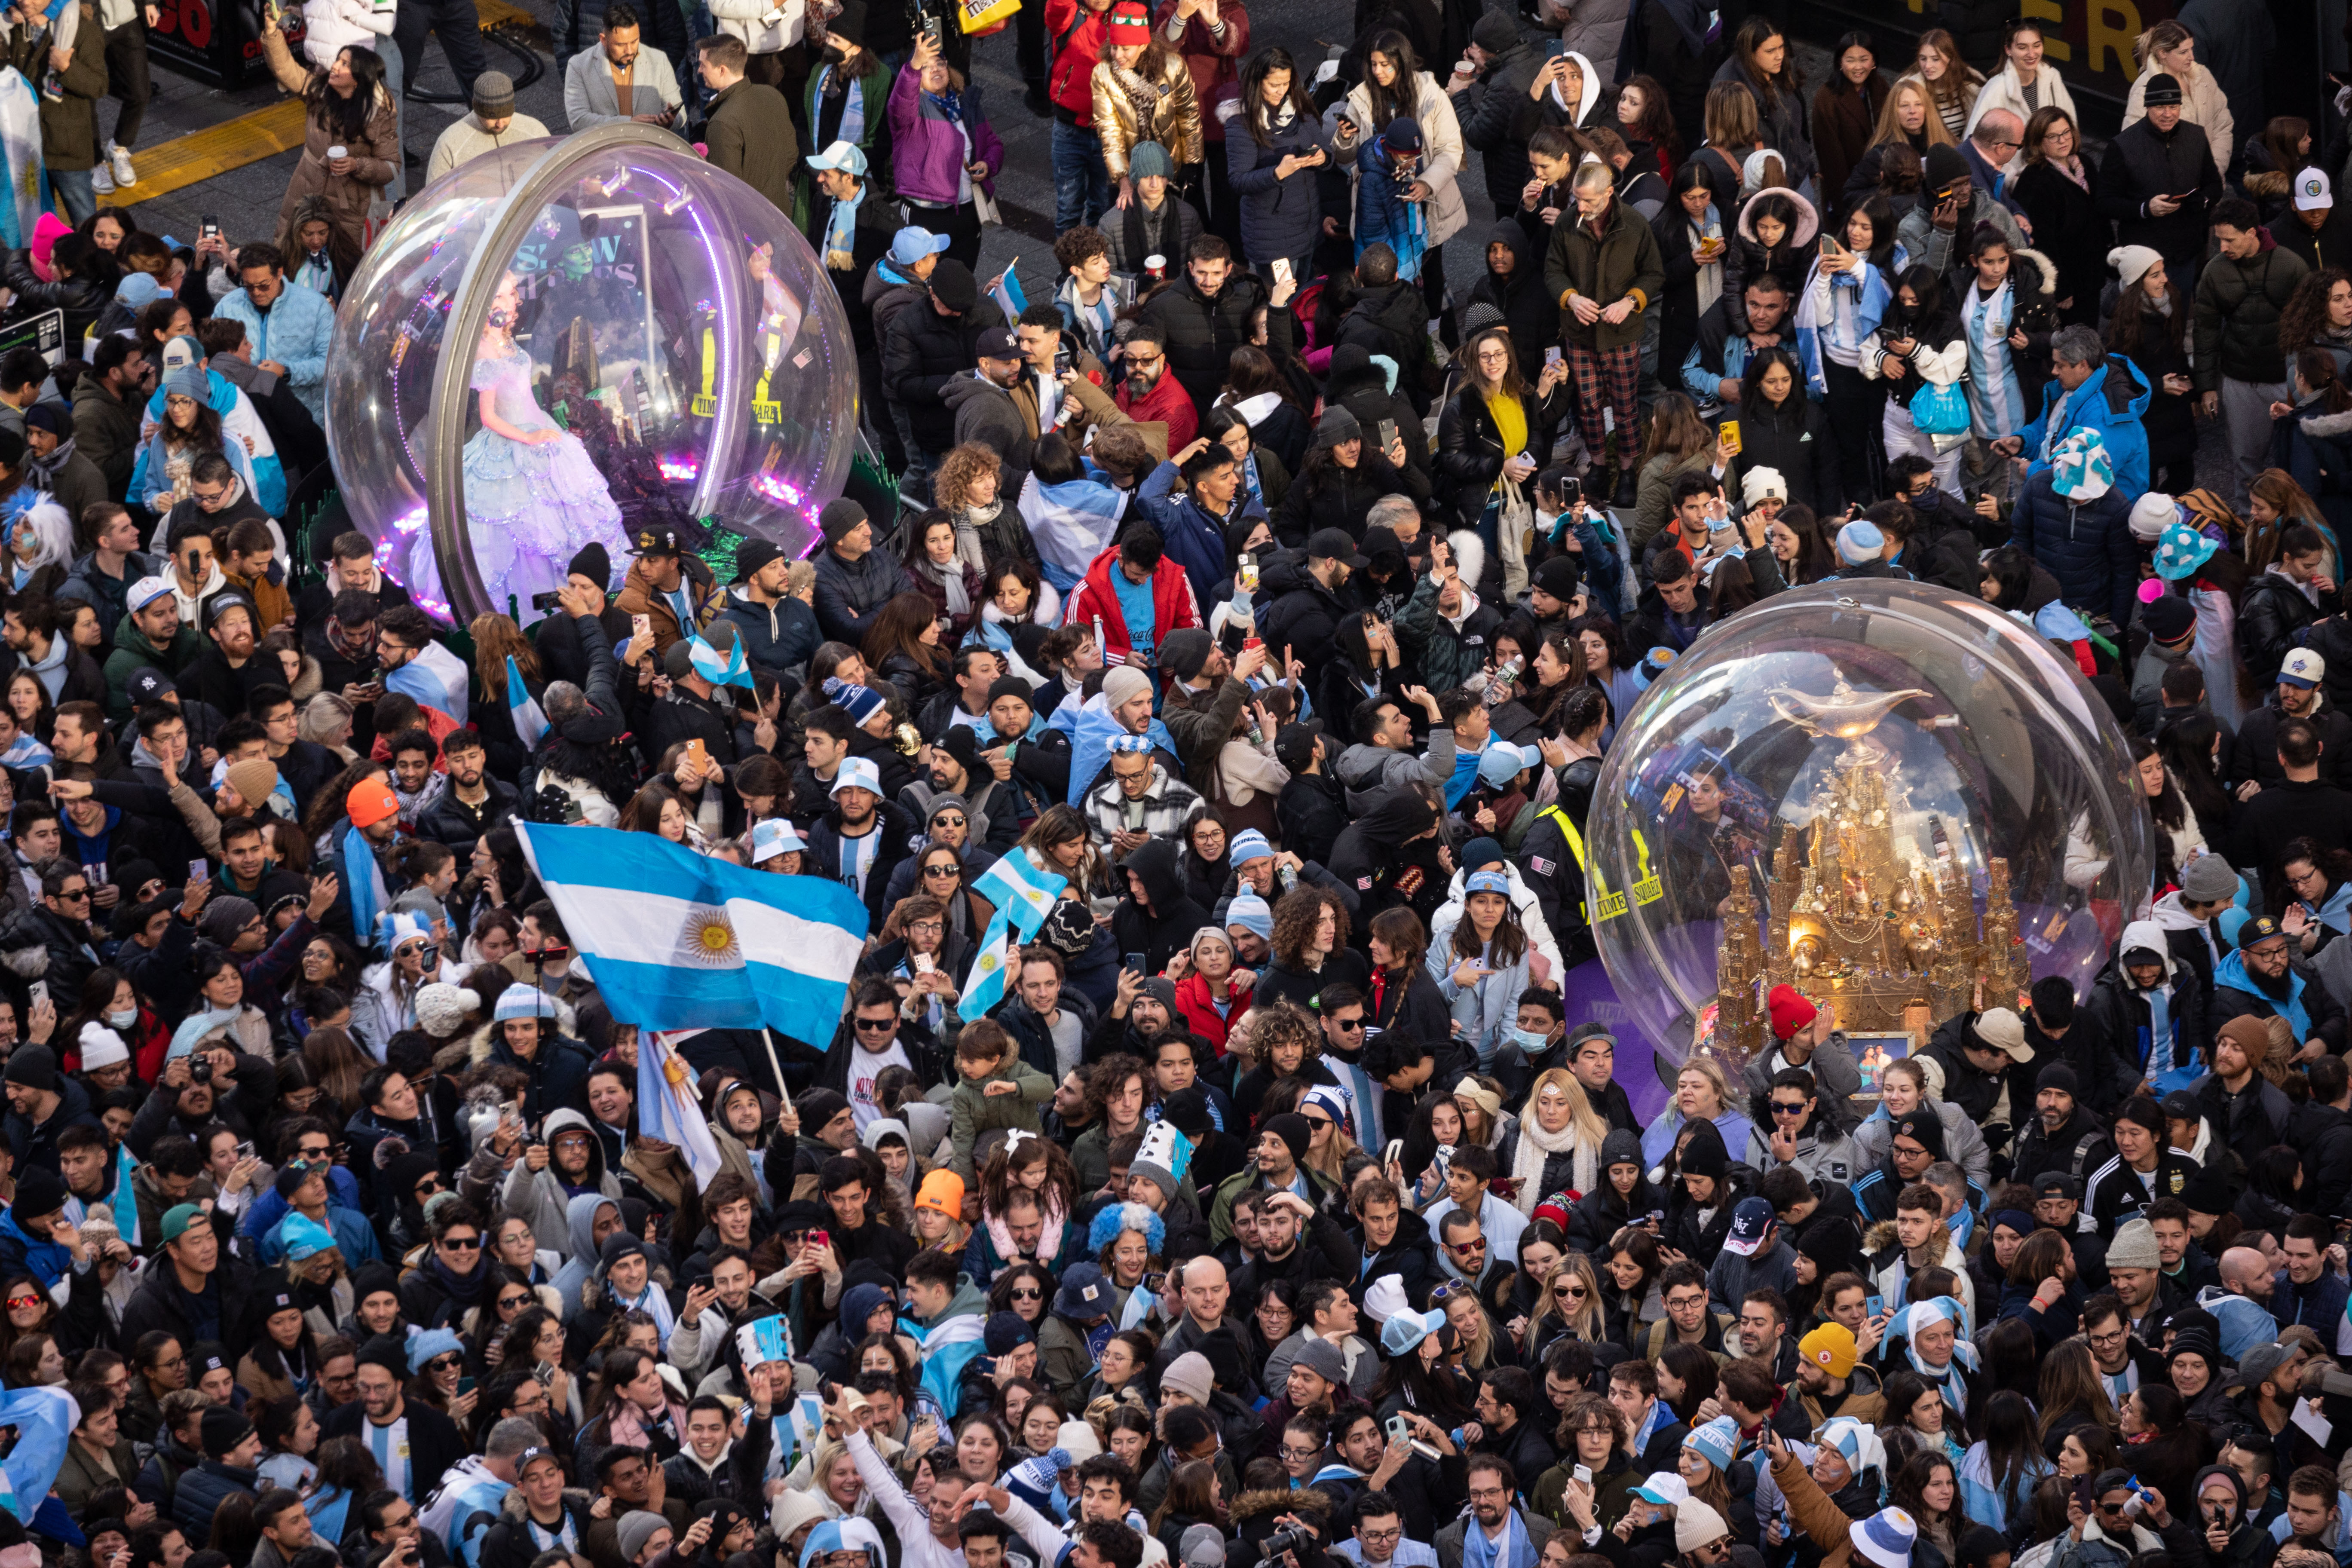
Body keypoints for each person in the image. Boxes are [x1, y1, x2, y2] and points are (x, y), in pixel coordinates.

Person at [255, 21, 397, 281]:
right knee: (290, 257)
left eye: (345, 64)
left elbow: (390, 167)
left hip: (352, 204)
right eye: (338, 60)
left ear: (359, 79)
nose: (335, 66)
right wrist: (273, 33)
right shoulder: (319, 92)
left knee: (344, 270)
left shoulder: (379, 113)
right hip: (307, 185)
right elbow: (285, 69)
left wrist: (357, 165)